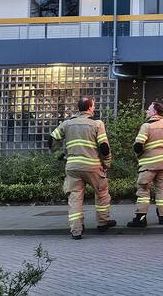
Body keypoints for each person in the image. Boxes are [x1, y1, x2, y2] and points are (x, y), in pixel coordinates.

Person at [49, 96, 115, 240]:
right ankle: (103, 223)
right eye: (94, 105)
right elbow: (104, 147)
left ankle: (76, 230)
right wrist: (106, 164)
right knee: (102, 193)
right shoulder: (97, 124)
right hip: (93, 166)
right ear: (90, 107)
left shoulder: (67, 123)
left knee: (75, 198)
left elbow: (52, 139)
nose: (94, 107)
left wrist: (61, 157)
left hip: (73, 167)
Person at [127, 101, 163, 228]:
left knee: (143, 190)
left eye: (149, 109)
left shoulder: (146, 126)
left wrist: (140, 154)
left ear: (155, 112)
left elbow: (138, 145)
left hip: (148, 166)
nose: (147, 111)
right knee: (162, 191)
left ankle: (140, 219)